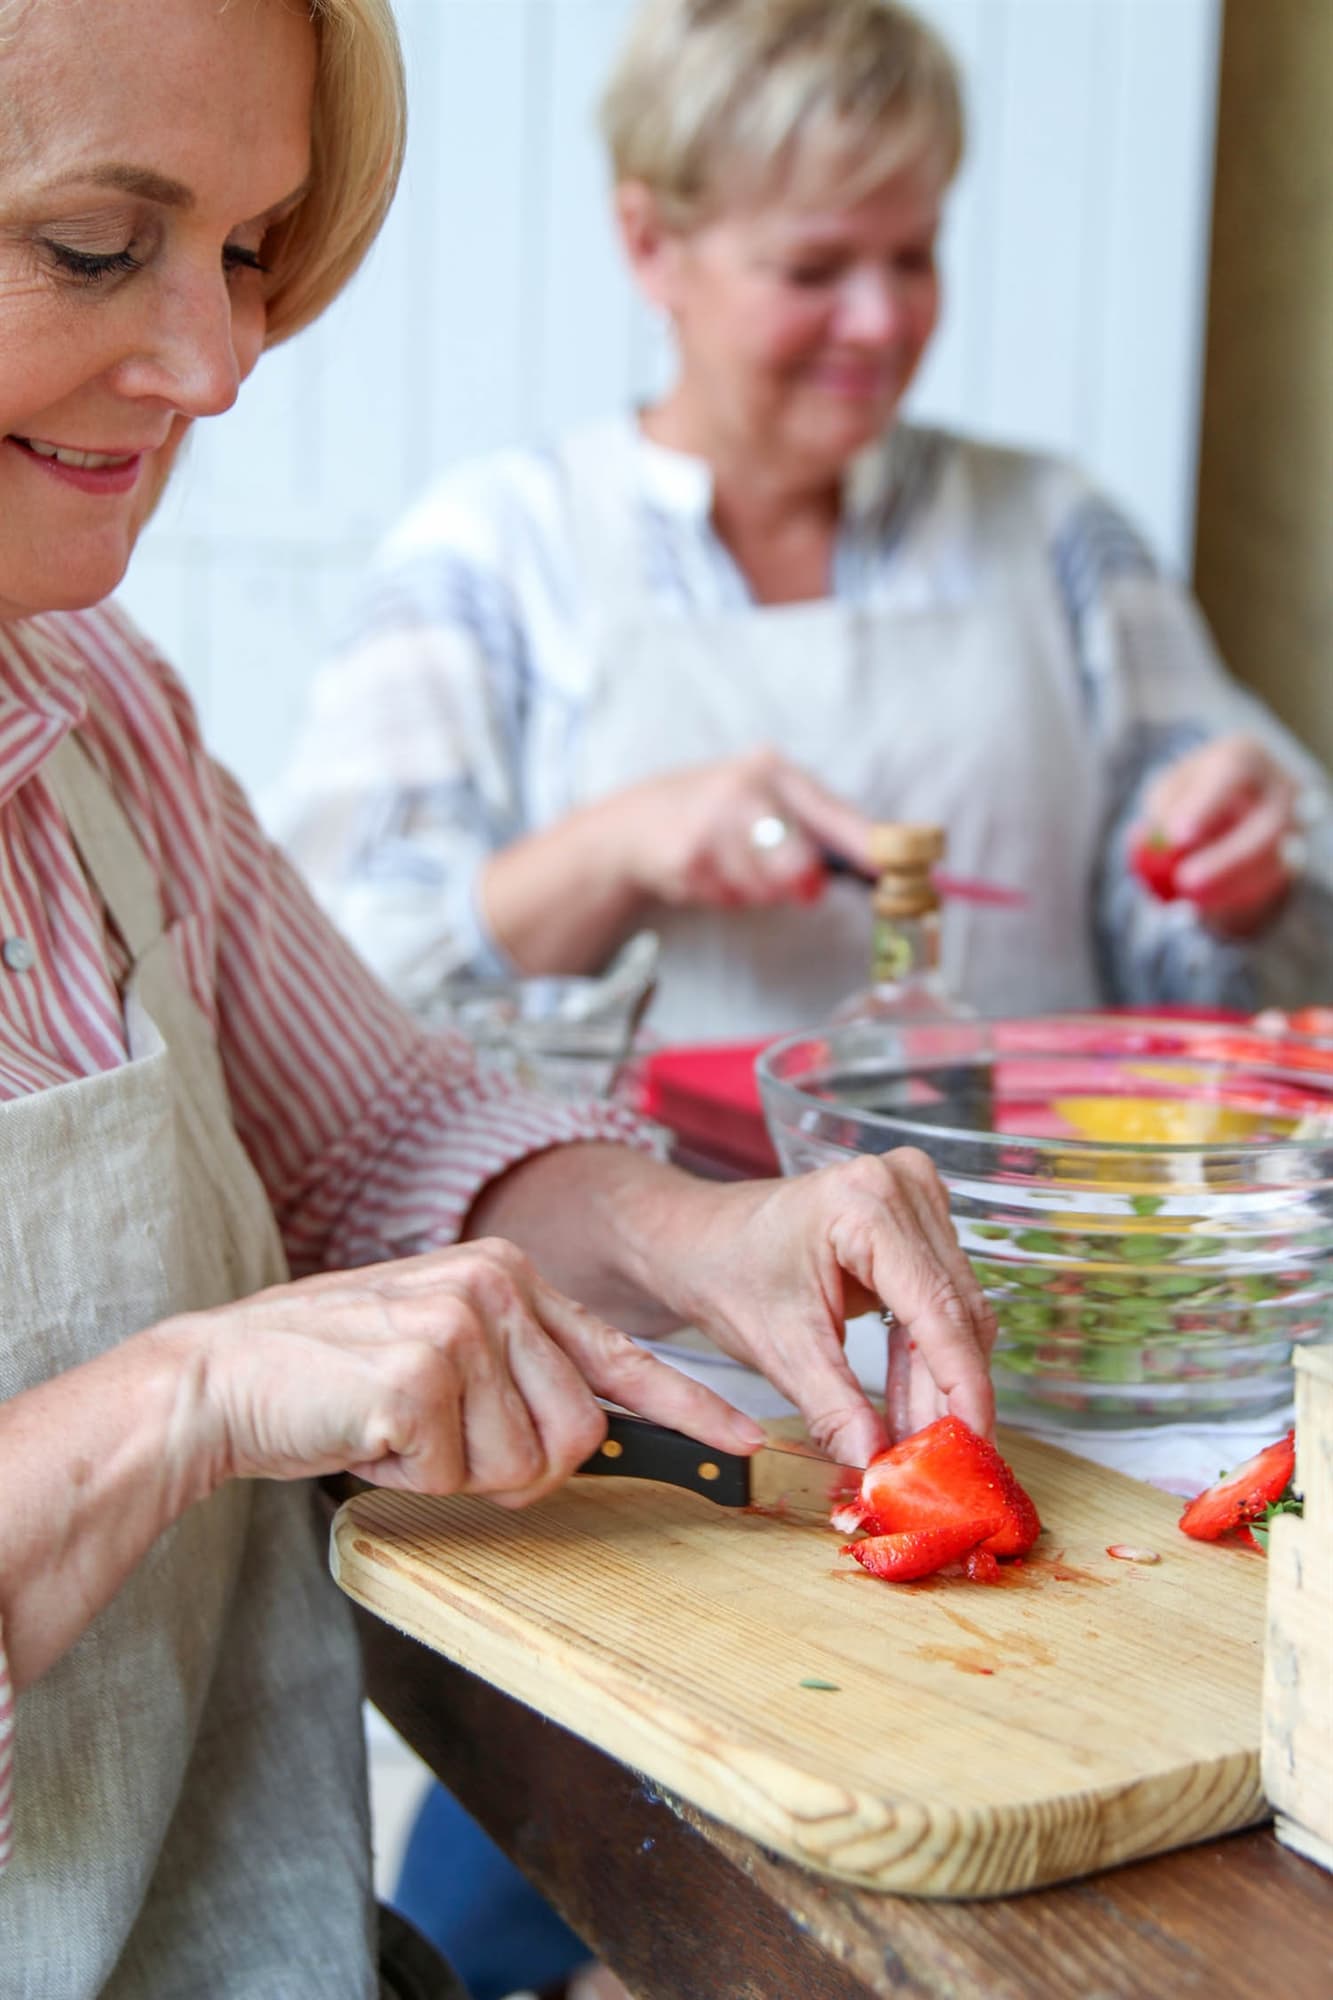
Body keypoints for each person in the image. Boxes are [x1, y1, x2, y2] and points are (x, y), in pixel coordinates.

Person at [0, 2, 1002, 1996]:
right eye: (98, 248)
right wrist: (177, 1396)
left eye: (248, 248)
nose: (214, 366)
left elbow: (376, 1130)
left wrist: (702, 1228)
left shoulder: (93, 702)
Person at [278, 0, 1333, 1052]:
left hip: (1016, 1214)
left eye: (913, 256)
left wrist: (1240, 884)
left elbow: (1231, 984)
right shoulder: (496, 554)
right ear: (651, 245)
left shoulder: (1062, 537)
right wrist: (610, 848)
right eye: (813, 269)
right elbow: (323, 1000)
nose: (879, 322)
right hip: (637, 1217)